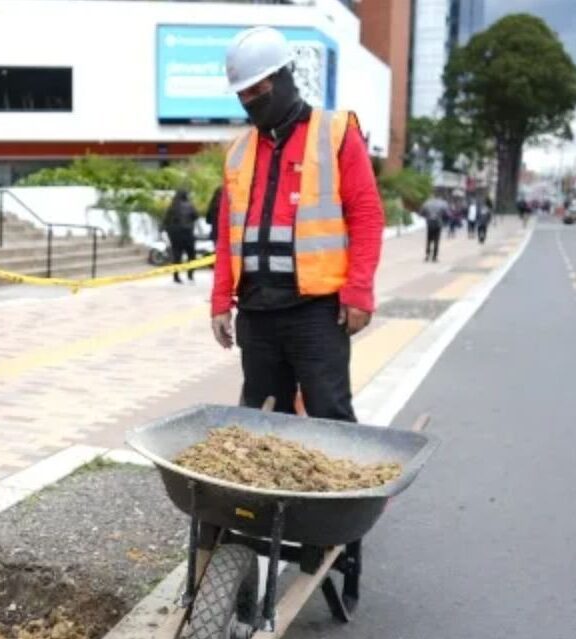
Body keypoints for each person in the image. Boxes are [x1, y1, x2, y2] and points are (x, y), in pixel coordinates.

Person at [211, 26, 384, 422]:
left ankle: (340, 488)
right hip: (256, 313)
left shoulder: (336, 134)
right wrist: (221, 301)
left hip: (316, 313)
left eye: (258, 90)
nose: (250, 101)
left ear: (285, 77)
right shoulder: (238, 153)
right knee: (264, 421)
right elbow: (227, 236)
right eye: (243, 94)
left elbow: (367, 216)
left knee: (330, 415)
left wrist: (359, 291)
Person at [162, 189, 200, 283]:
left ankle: (176, 276)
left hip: (175, 235)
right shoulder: (190, 205)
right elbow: (196, 216)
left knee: (177, 255)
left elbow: (166, 221)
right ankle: (190, 274)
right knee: (191, 254)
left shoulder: (172, 206)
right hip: (188, 233)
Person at [420, 191, 451, 262]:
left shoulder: (426, 203)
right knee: (436, 240)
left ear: (432, 196)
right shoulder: (443, 203)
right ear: (439, 197)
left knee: (429, 240)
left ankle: (427, 256)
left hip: (429, 223)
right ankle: (434, 257)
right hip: (438, 223)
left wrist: (427, 216)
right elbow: (447, 214)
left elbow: (421, 213)